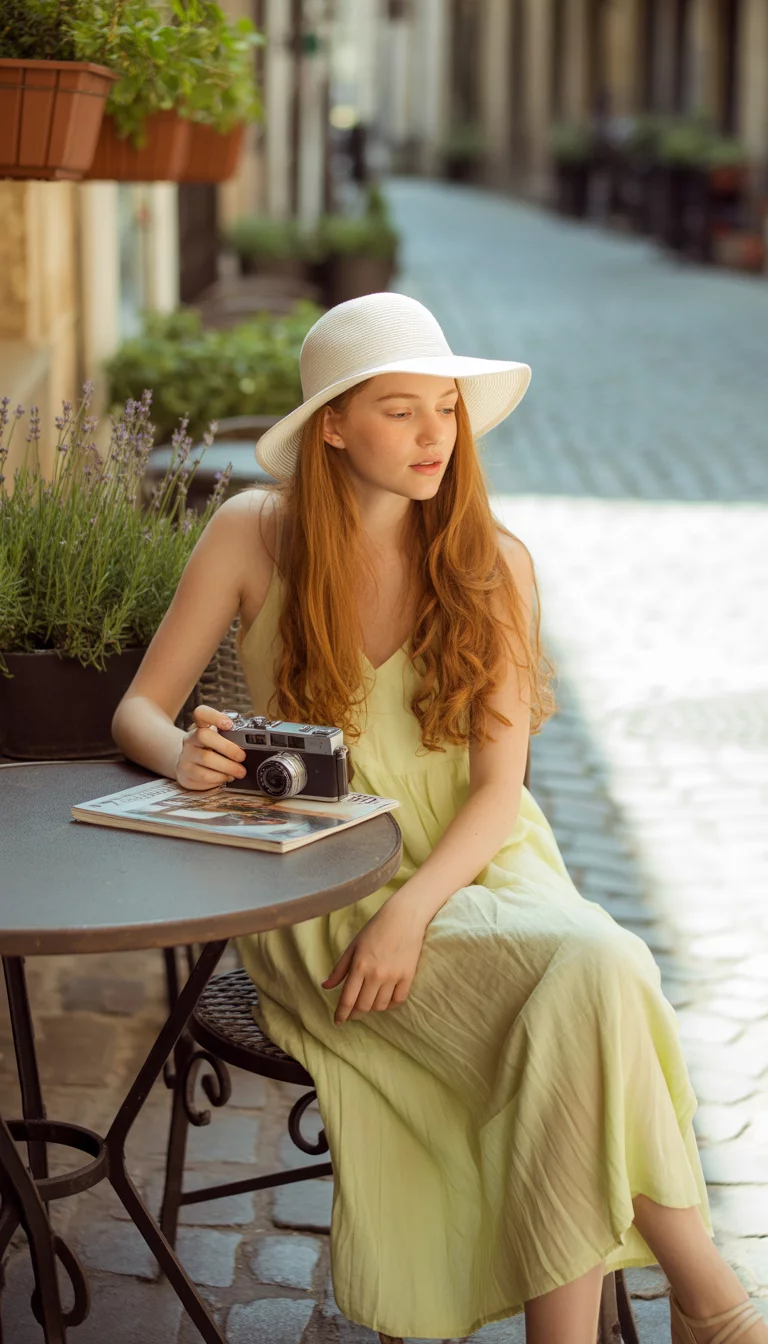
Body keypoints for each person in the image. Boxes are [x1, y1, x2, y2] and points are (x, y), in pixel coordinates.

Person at [112, 292, 765, 1344]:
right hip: (319, 884)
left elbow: (500, 790)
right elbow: (138, 708)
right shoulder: (251, 533)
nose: (433, 439)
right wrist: (178, 749)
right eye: (400, 411)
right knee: (599, 979)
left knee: (586, 987)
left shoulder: (493, 563)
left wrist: (413, 910)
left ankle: (698, 1305)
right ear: (333, 425)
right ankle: (713, 1303)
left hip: (479, 866)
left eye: (447, 412)